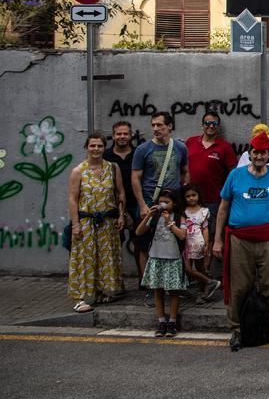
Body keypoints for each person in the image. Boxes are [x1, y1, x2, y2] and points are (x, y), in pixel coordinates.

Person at [214, 128, 269, 351]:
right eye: (255, 152)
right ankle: (236, 330)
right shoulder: (235, 176)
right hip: (239, 239)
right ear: (249, 153)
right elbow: (223, 208)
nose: (259, 156)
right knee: (239, 287)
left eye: (263, 153)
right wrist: (217, 239)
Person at [67, 133, 125, 313]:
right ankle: (80, 298)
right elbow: (73, 199)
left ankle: (99, 292)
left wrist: (121, 215)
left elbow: (120, 193)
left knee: (104, 258)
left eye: (99, 146)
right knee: (84, 258)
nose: (96, 149)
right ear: (87, 147)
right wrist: (75, 225)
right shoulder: (78, 171)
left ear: (104, 148)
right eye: (92, 146)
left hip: (107, 222)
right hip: (86, 222)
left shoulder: (112, 168)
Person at [131, 112, 188, 290]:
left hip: (173, 205)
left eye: (160, 125)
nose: (156, 129)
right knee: (144, 244)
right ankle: (147, 285)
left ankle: (174, 283)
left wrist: (183, 199)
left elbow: (185, 171)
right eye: (153, 125)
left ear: (170, 126)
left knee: (174, 243)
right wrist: (142, 204)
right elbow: (135, 178)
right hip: (150, 202)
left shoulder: (180, 148)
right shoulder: (143, 149)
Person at [135, 189, 188, 338]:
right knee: (157, 291)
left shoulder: (179, 216)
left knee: (173, 292)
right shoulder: (155, 216)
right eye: (161, 202)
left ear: (174, 203)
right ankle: (161, 321)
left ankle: (172, 322)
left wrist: (169, 223)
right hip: (156, 257)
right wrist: (148, 217)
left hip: (173, 258)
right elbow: (139, 232)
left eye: (167, 202)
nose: (163, 205)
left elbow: (182, 236)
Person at [184, 111, 236, 242]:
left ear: (218, 126)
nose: (211, 126)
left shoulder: (225, 147)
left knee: (209, 238)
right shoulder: (190, 142)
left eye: (214, 123)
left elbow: (233, 173)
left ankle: (207, 263)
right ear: (202, 125)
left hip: (213, 201)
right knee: (189, 236)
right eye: (207, 123)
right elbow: (181, 166)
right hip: (190, 199)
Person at [103, 120, 136, 292]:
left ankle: (143, 283)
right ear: (113, 135)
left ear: (131, 135)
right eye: (119, 134)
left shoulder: (138, 153)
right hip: (113, 207)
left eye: (125, 134)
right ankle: (117, 282)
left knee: (139, 244)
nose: (122, 137)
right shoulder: (106, 156)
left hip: (136, 204)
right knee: (114, 246)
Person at [180, 184, 220, 300]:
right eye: (188, 196)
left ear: (198, 196)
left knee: (200, 268)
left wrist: (207, 244)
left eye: (193, 195)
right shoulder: (184, 212)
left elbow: (205, 228)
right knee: (188, 268)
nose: (191, 198)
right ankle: (210, 282)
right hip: (187, 245)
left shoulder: (204, 211)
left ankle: (203, 293)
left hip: (199, 244)